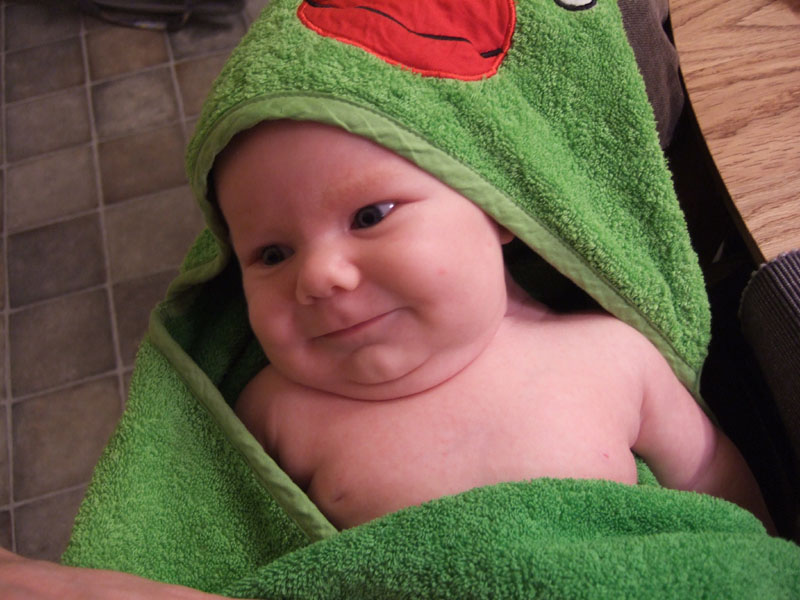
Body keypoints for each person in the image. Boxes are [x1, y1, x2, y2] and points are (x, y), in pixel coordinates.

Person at [214, 118, 774, 532]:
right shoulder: (273, 411)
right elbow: (228, 545)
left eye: (369, 216)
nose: (317, 276)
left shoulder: (608, 354)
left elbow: (708, 475)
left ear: (492, 205)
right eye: (272, 255)